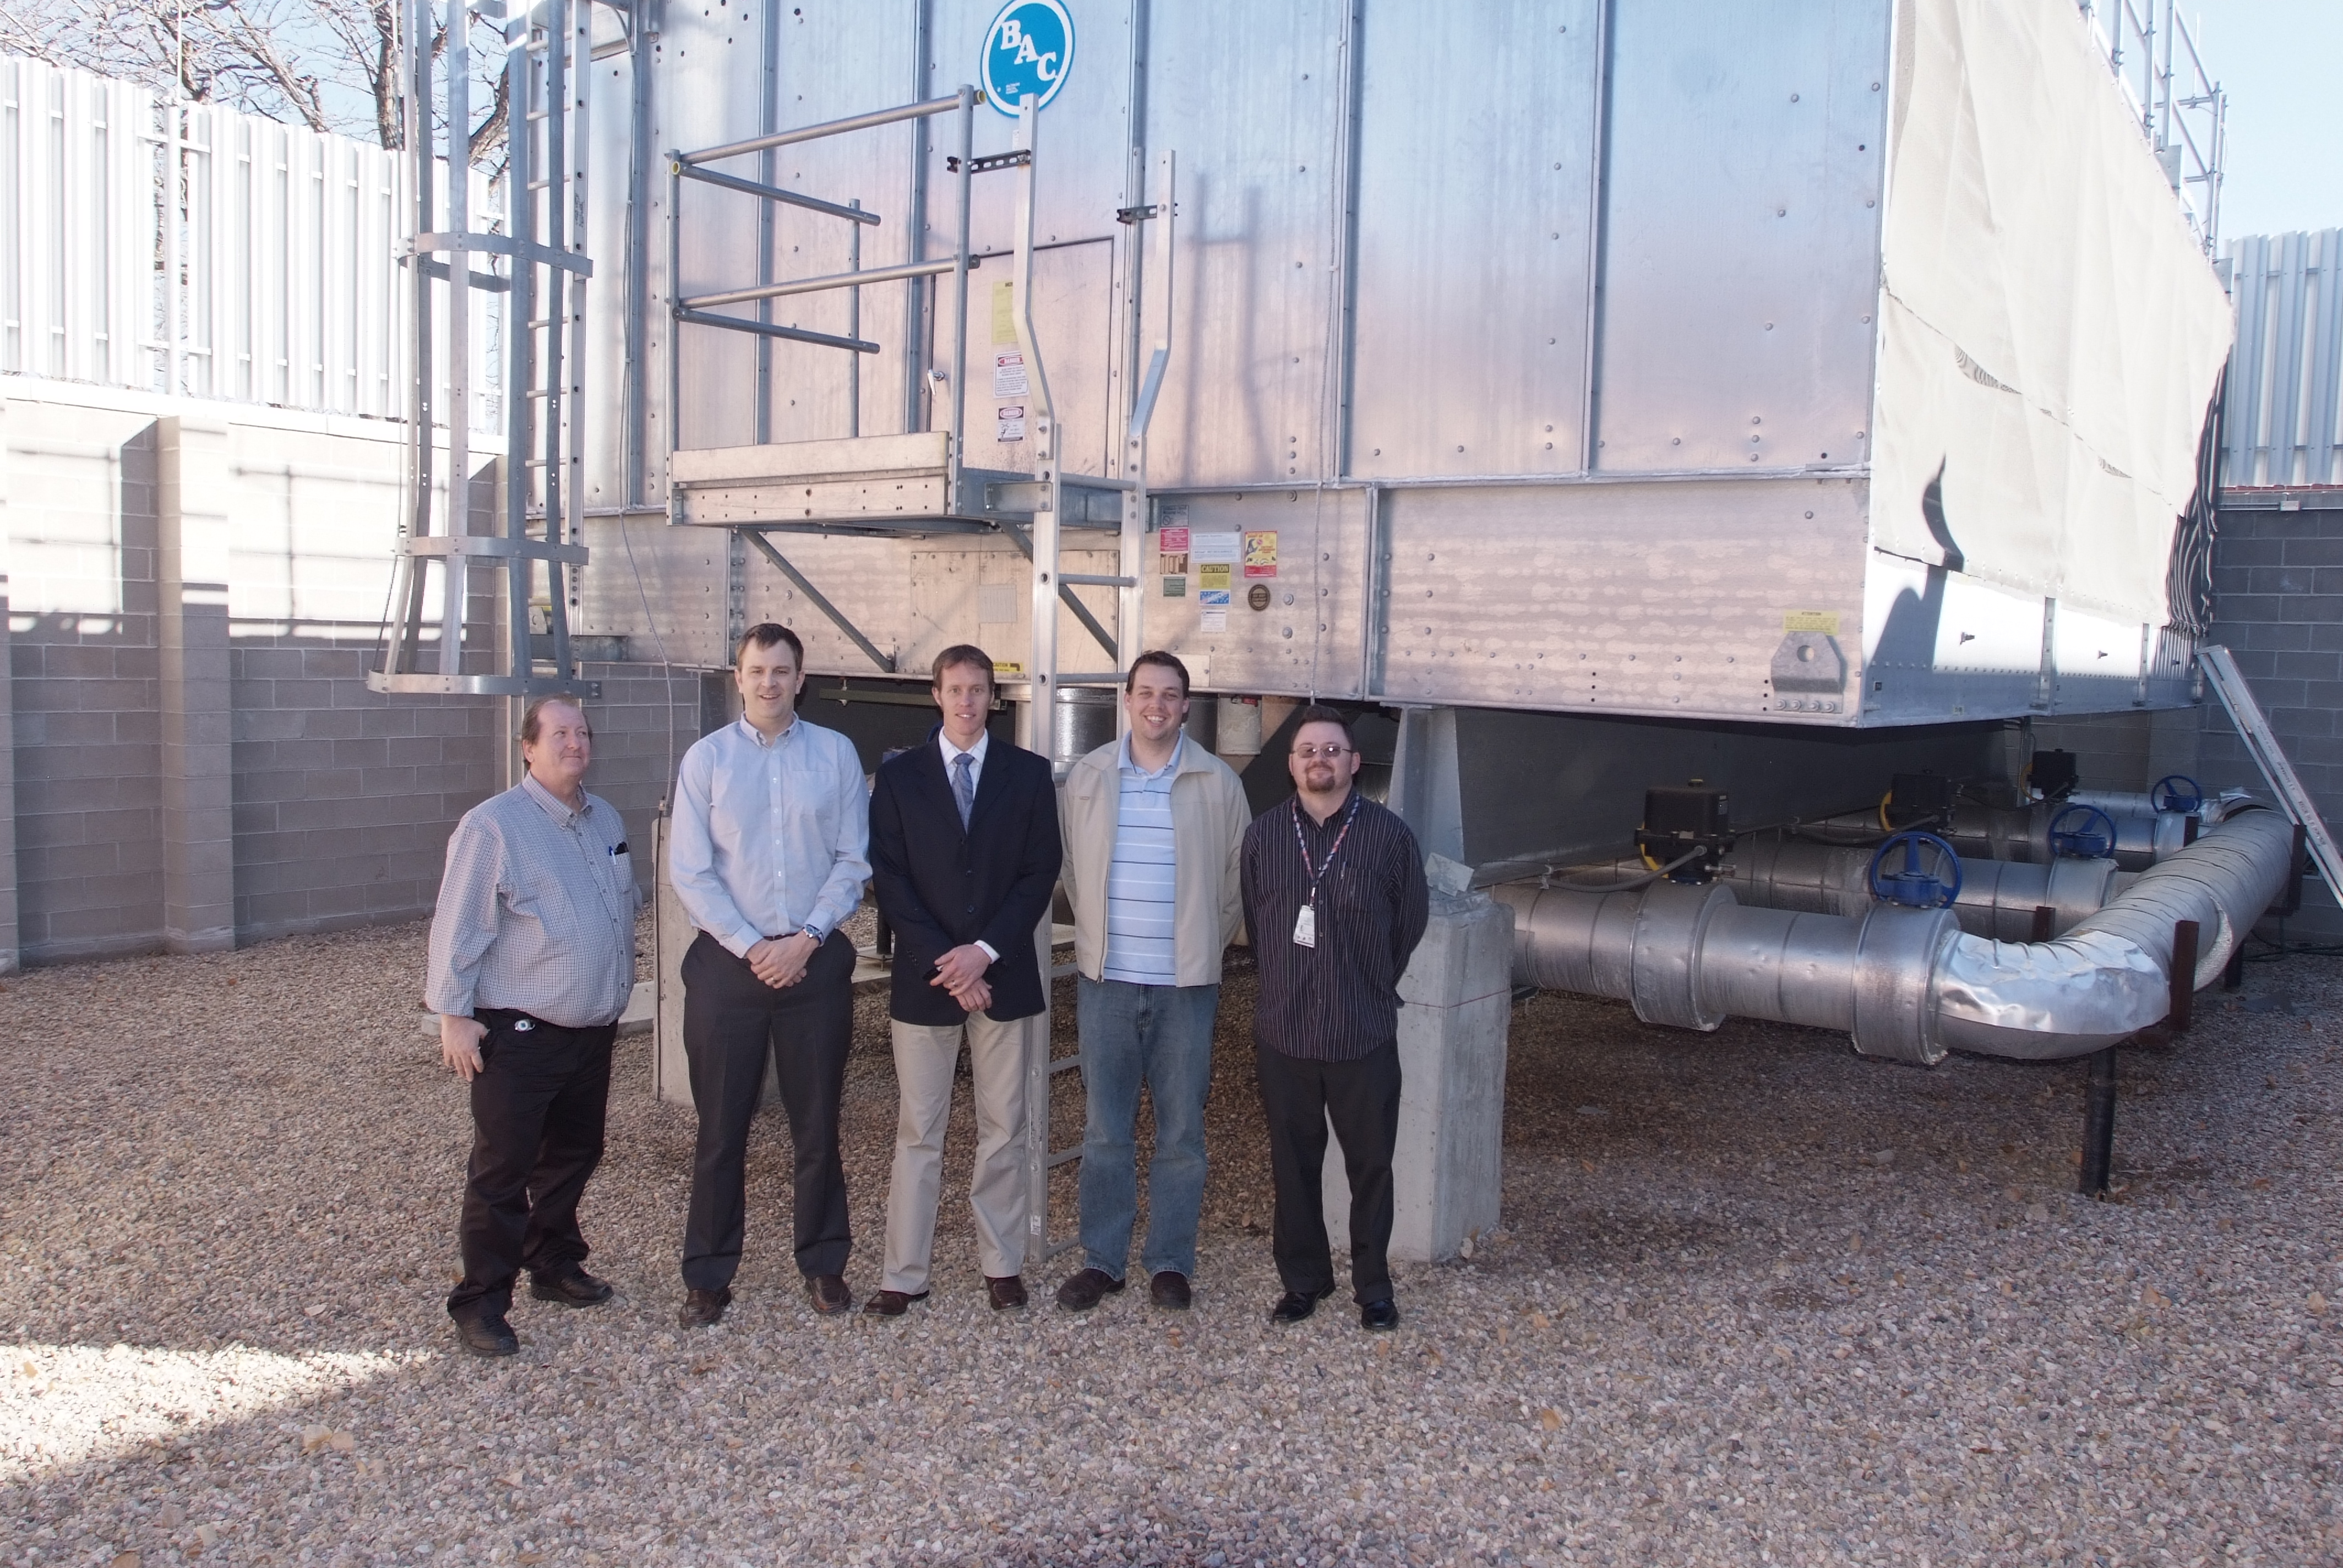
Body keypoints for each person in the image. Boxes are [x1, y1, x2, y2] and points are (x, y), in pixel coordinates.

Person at [668, 623, 871, 1327]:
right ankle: (708, 1274)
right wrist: (754, 945)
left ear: (800, 678)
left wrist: (807, 939)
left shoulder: (835, 755)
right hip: (729, 970)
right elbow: (690, 871)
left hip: (813, 966)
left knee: (817, 1125)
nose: (769, 683)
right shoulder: (707, 761)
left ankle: (823, 1263)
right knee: (721, 1128)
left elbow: (853, 858)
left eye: (782, 671)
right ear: (739, 675)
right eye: (758, 670)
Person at [427, 694, 642, 1358]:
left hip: (591, 1032)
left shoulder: (602, 816)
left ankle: (553, 1264)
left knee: (573, 1156)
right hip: (519, 1033)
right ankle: (481, 1302)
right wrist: (454, 1017)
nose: (574, 743)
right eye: (559, 733)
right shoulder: (492, 828)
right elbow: (457, 928)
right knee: (503, 1170)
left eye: (581, 732)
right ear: (528, 746)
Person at [863, 646, 1063, 1317]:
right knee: (919, 1129)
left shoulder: (1029, 775)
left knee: (1003, 1127)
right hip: (928, 981)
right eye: (955, 689)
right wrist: (949, 964)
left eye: (978, 690)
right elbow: (889, 879)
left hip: (1002, 974)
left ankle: (1000, 1264)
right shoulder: (900, 779)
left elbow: (1039, 873)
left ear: (993, 698)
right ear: (935, 694)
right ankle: (904, 1273)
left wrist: (982, 951)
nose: (967, 701)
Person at [1053, 651, 1251, 1313]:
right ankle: (1103, 1261)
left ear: (1186, 706)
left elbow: (1234, 885)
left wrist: (1199, 951)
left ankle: (1170, 1259)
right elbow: (1075, 873)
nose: (1156, 705)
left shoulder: (1217, 782)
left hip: (1184, 989)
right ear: (1127, 700)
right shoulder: (1088, 776)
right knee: (1105, 1129)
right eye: (1145, 693)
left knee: (1180, 1133)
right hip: (1107, 982)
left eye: (1170, 695)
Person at [1239, 705, 1428, 1332]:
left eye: (1331, 750)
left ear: (1353, 762)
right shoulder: (1264, 835)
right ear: (1291, 764)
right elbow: (1258, 923)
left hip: (1361, 1031)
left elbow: (1409, 923)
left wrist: (1370, 983)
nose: (1319, 759)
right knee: (1292, 1164)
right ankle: (1303, 1280)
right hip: (1285, 1033)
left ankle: (1373, 1287)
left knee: (1370, 1166)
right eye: (1307, 750)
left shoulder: (1388, 835)